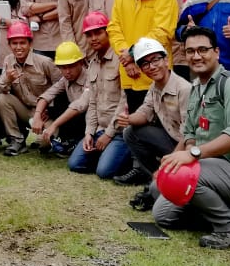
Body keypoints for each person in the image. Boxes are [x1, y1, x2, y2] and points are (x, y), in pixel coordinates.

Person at [151, 26, 230, 250]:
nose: (196, 56)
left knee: (186, 178)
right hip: (212, 171)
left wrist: (192, 154)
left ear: (217, 52)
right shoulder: (197, 88)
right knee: (162, 208)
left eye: (203, 50)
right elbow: (190, 134)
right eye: (190, 51)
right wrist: (174, 161)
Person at [107, 0, 179, 119]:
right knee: (137, 125)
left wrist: (132, 55)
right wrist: (127, 60)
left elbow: (162, 32)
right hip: (130, 74)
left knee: (163, 126)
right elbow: (114, 29)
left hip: (156, 73)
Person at [123, 37, 193, 209]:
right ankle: (156, 176)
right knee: (130, 132)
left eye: (155, 59)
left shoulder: (184, 89)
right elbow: (145, 113)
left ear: (166, 59)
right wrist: (127, 118)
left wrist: (168, 162)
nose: (151, 66)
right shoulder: (154, 87)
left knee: (160, 195)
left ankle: (163, 178)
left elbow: (190, 134)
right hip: (172, 141)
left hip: (189, 146)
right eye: (145, 64)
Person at [69, 11, 132, 179]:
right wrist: (89, 132)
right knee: (75, 164)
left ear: (108, 32)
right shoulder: (92, 65)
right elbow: (92, 103)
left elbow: (125, 103)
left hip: (120, 132)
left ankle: (128, 157)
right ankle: (106, 155)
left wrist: (109, 134)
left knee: (104, 172)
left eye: (98, 32)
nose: (93, 38)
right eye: (89, 35)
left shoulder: (121, 59)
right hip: (99, 130)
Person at [0, 21, 60, 156]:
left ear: (30, 44)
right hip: (24, 110)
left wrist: (50, 110)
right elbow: (0, 89)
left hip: (44, 113)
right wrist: (8, 79)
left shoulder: (44, 62)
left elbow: (61, 88)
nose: (18, 47)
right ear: (9, 45)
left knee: (45, 144)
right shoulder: (8, 61)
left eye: (22, 43)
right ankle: (17, 140)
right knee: (2, 98)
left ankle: (44, 137)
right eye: (14, 43)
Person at [31, 41, 90, 156]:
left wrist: (54, 125)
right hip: (72, 121)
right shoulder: (65, 80)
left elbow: (79, 105)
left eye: (71, 66)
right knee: (58, 99)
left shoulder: (90, 77)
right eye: (63, 67)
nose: (67, 71)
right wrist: (37, 116)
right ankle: (63, 140)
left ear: (81, 63)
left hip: (89, 122)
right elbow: (47, 95)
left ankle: (72, 141)